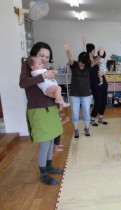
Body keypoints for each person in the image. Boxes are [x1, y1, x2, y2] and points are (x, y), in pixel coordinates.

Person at [19, 42, 64, 185]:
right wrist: (44, 75)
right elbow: (23, 83)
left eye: (47, 56)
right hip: (37, 109)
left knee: (51, 141)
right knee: (45, 143)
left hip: (49, 108)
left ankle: (49, 166)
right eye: (41, 55)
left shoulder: (42, 68)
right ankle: (43, 173)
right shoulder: (29, 64)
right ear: (34, 54)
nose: (44, 59)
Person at [64, 41, 92, 138]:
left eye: (83, 63)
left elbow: (85, 56)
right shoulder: (74, 64)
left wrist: (84, 46)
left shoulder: (88, 65)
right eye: (80, 62)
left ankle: (86, 128)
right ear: (78, 60)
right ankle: (76, 130)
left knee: (86, 111)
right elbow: (70, 57)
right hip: (74, 93)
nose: (81, 64)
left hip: (86, 93)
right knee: (75, 112)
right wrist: (67, 50)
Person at [82, 37, 108, 126]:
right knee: (98, 102)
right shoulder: (87, 60)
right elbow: (86, 56)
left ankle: (101, 118)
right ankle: (92, 119)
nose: (94, 51)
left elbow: (100, 62)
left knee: (104, 102)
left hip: (103, 82)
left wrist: (100, 55)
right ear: (91, 50)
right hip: (95, 84)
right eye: (94, 49)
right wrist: (84, 45)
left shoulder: (95, 58)